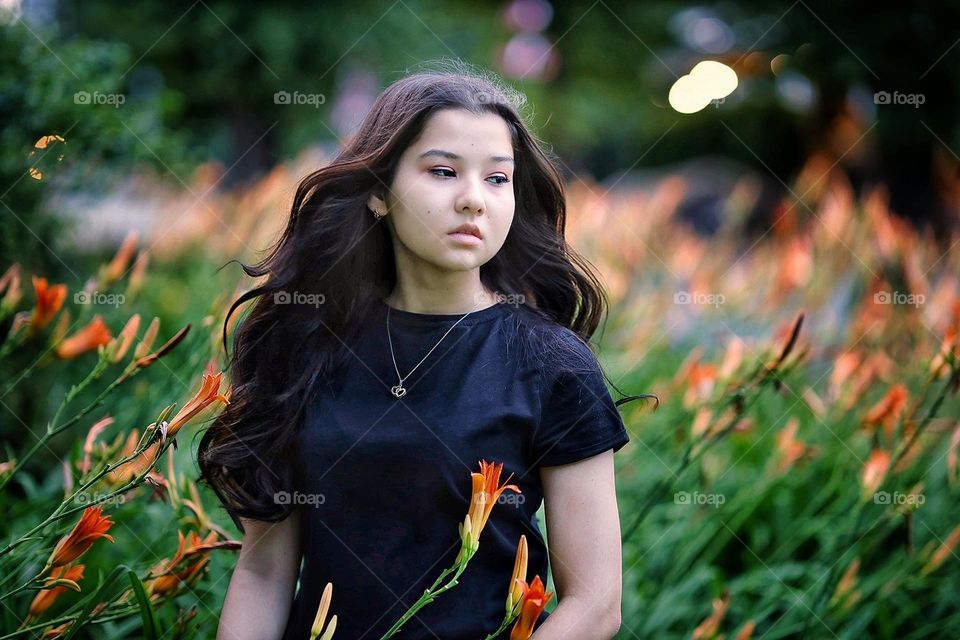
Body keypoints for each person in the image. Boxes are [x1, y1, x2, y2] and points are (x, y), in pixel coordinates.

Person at [198, 60, 636, 640]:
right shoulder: (307, 347)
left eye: (497, 178)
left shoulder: (550, 364)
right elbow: (263, 573)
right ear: (379, 193)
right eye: (443, 171)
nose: (474, 200)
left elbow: (596, 604)